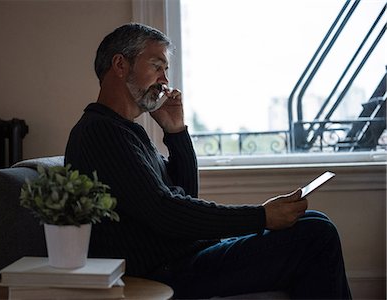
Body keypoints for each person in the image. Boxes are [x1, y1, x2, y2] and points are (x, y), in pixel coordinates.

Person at [65, 23, 352, 299]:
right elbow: (165, 212)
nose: (164, 80)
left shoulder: (128, 131)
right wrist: (260, 216)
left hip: (184, 257)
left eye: (165, 70)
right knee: (316, 234)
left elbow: (184, 195)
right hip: (162, 272)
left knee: (313, 221)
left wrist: (176, 132)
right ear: (120, 65)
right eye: (157, 66)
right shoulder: (100, 132)